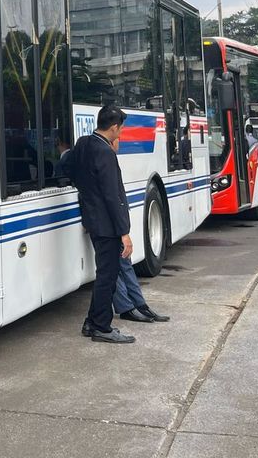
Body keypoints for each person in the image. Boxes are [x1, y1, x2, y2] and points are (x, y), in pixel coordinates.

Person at [68, 105, 135, 344]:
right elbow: (112, 195)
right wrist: (124, 232)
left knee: (103, 274)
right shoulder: (105, 152)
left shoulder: (84, 144)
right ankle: (101, 326)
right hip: (107, 225)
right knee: (108, 275)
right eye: (122, 128)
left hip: (93, 220)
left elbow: (69, 170)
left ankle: (91, 322)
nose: (122, 133)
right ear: (114, 127)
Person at [107, 135, 170, 324]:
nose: (120, 142)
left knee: (124, 263)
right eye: (118, 138)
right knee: (115, 266)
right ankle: (126, 307)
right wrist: (123, 231)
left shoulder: (108, 159)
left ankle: (140, 305)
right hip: (109, 224)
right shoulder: (104, 159)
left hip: (116, 222)